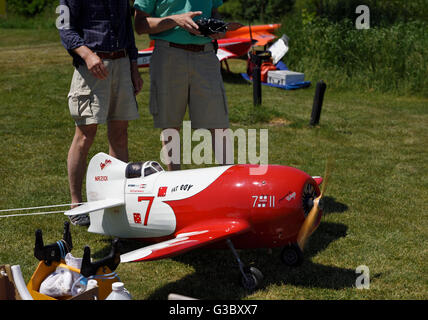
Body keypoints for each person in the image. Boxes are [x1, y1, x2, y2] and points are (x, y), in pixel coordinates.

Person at [59, 0, 143, 226]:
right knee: (85, 135)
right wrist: (87, 55)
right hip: (92, 67)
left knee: (120, 134)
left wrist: (134, 68)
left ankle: (117, 200)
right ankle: (76, 205)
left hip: (122, 63)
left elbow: (127, 29)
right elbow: (64, 28)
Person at [133, 0, 241, 170]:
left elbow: (214, 11)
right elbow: (139, 25)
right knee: (170, 125)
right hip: (169, 55)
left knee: (218, 123)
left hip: (206, 54)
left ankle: (230, 182)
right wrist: (175, 20)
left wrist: (217, 26)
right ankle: (174, 182)